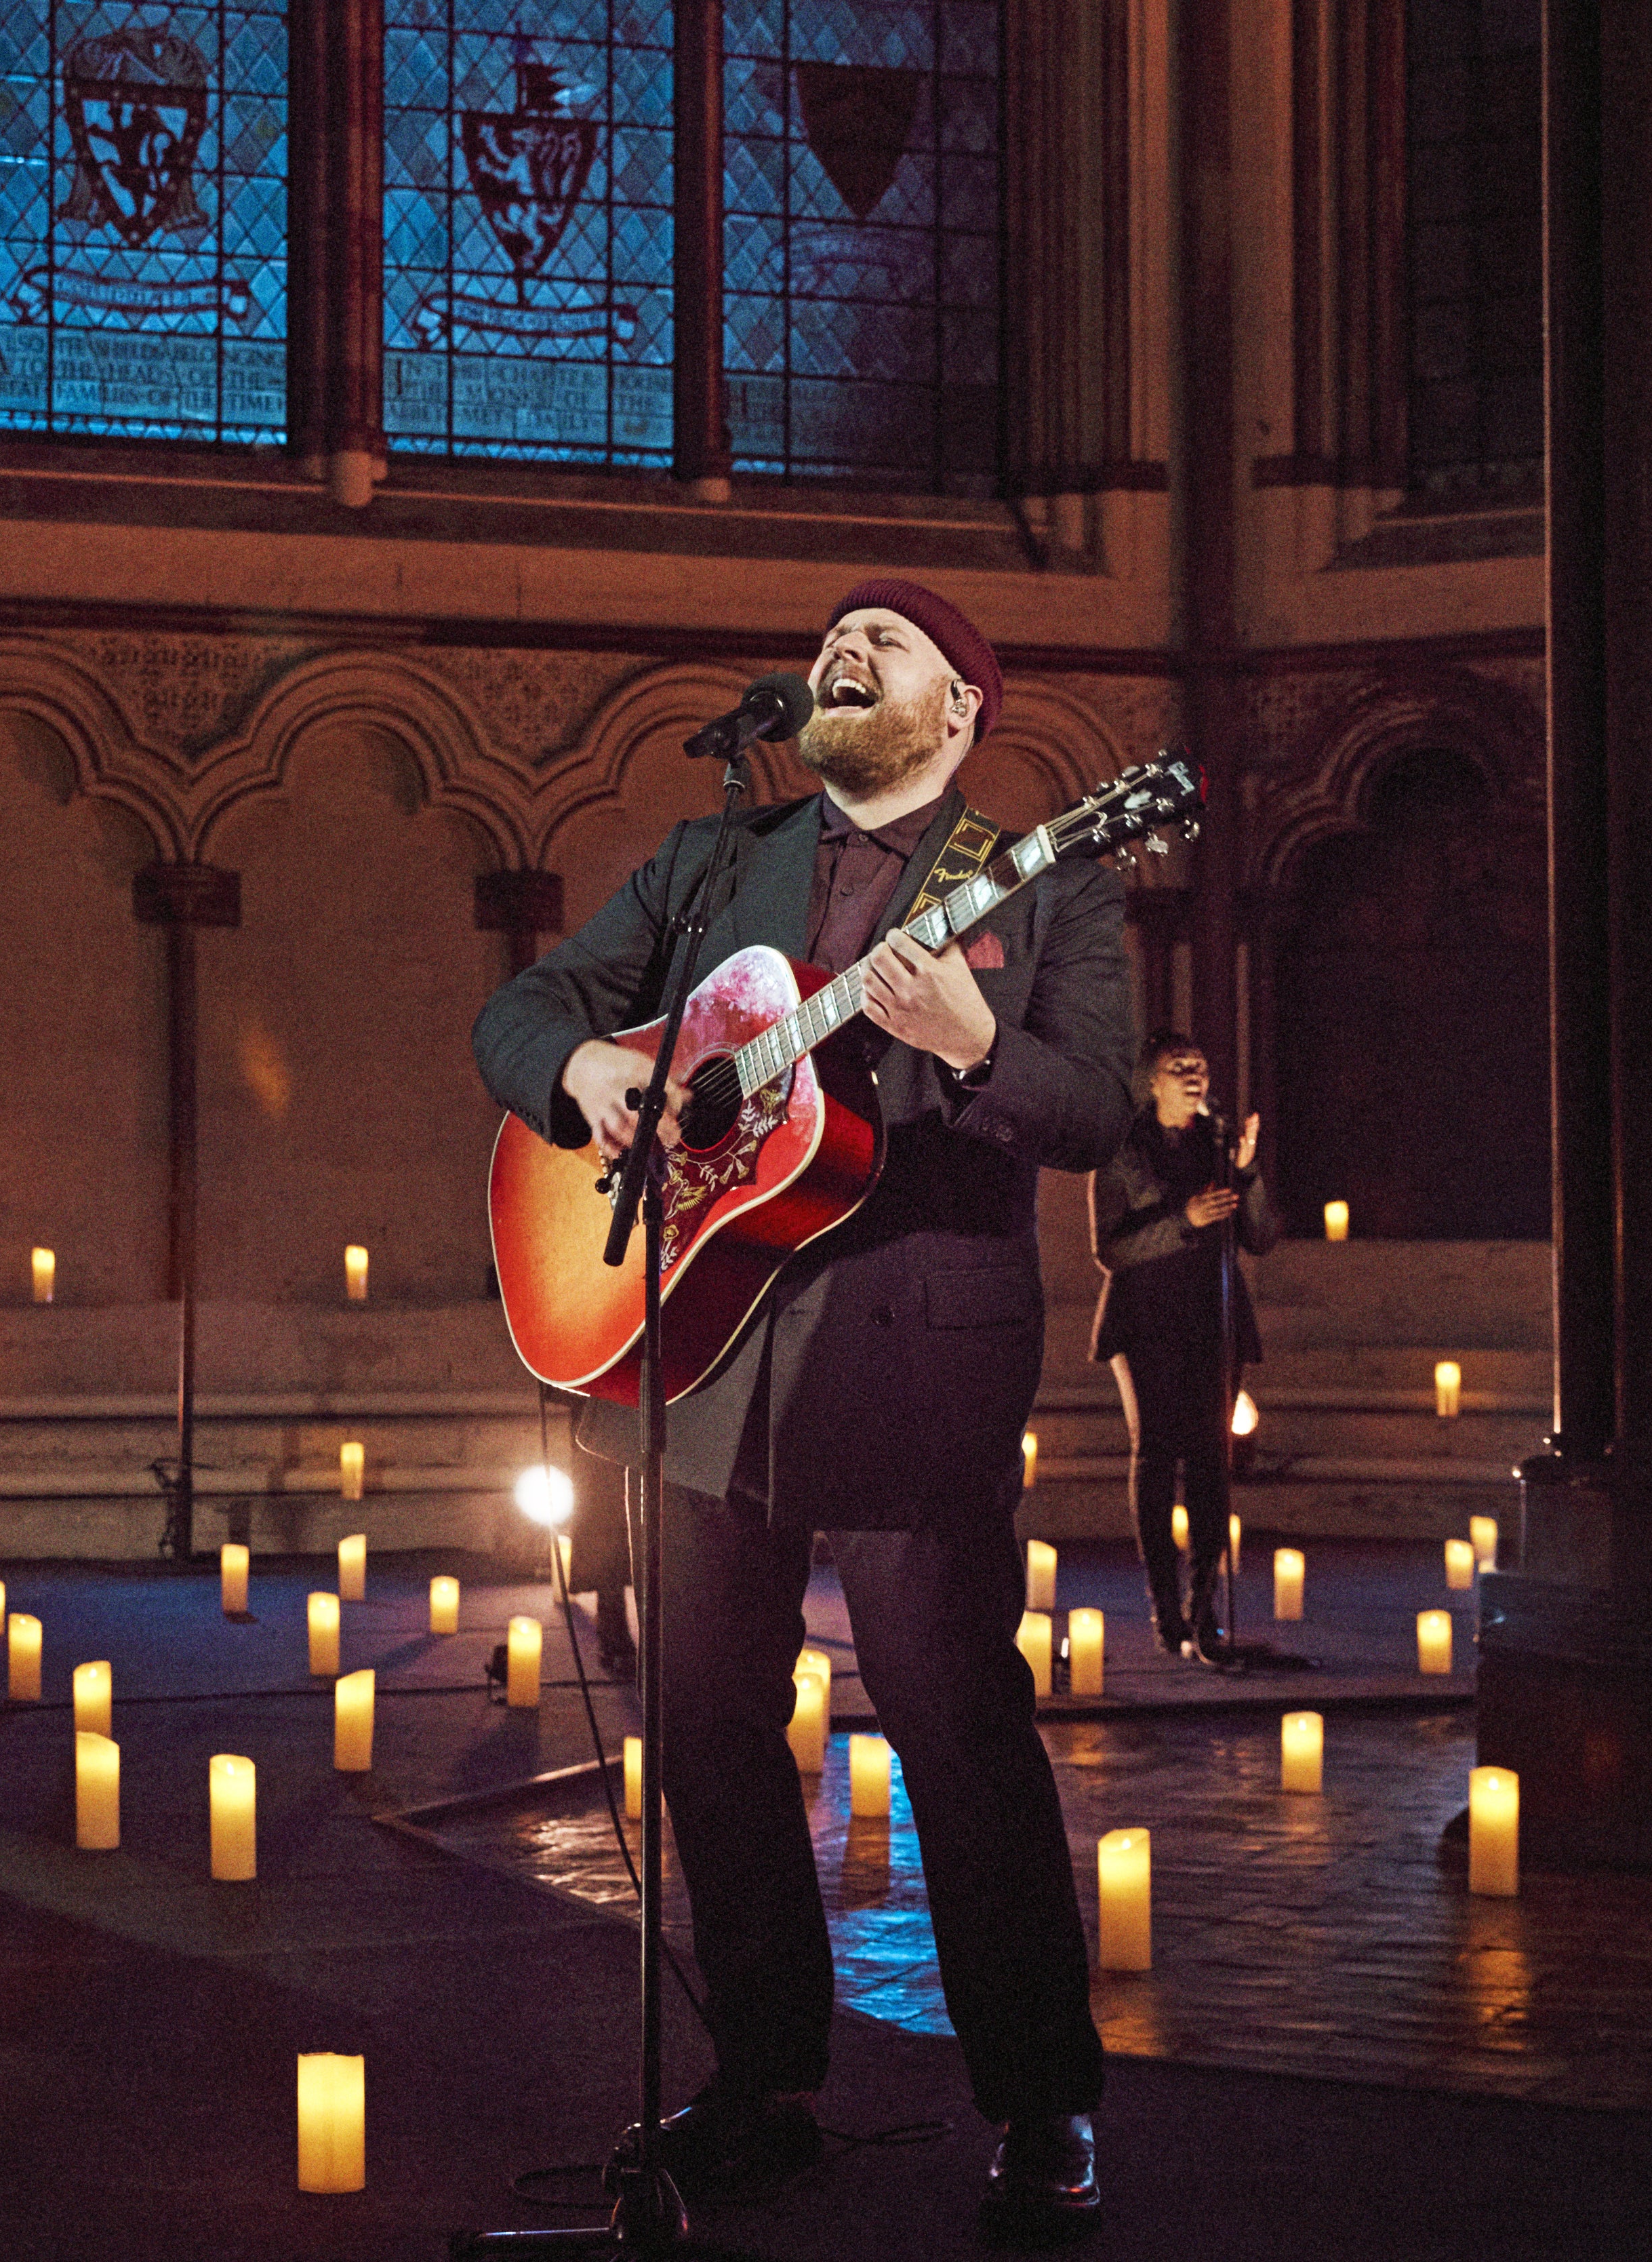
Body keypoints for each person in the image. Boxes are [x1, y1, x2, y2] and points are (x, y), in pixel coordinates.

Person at [474, 579, 1133, 2246]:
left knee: (954, 1729)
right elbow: (525, 1008)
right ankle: (763, 2079)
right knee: (705, 1723)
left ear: (965, 706)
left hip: (914, 1353)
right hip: (690, 1357)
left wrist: (978, 1041)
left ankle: (1039, 2099)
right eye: (838, 633)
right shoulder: (711, 866)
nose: (850, 650)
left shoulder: (1050, 882)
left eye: (890, 639)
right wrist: (592, 1077)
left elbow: (1102, 1104)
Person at [1090, 1033, 1278, 1659]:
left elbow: (1260, 1238)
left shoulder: (1219, 1145)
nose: (1196, 1077)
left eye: (1201, 1067)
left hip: (1212, 1321)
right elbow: (1110, 1250)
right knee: (1156, 1457)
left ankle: (1205, 1614)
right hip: (1144, 1324)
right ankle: (1165, 1614)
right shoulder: (1121, 1149)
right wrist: (1183, 1223)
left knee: (1211, 1462)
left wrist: (1247, 1172)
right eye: (1181, 1069)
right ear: (1152, 1081)